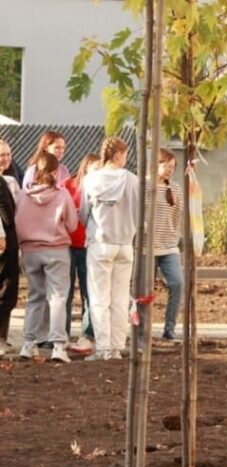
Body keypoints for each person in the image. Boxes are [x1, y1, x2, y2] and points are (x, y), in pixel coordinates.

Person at [14, 152, 78, 362]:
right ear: (55, 171)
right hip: (56, 249)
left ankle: (28, 343)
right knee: (58, 297)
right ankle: (58, 346)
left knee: (35, 297)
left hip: (30, 251)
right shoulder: (61, 195)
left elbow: (17, 221)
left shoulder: (24, 194)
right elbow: (72, 224)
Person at [81, 136, 139, 361]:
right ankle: (116, 347)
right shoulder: (131, 180)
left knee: (98, 297)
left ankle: (103, 347)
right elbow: (137, 210)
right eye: (125, 155)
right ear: (117, 155)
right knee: (121, 297)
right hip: (124, 243)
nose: (126, 159)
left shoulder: (91, 179)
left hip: (100, 242)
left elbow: (84, 213)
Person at [146, 148, 184, 341]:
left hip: (168, 247)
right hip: (146, 248)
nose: (169, 170)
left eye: (172, 167)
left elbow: (178, 217)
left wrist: (173, 238)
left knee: (177, 283)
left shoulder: (175, 189)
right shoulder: (143, 186)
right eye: (166, 165)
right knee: (145, 289)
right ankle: (142, 330)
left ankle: (169, 328)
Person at [63, 152, 100, 354]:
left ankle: (87, 335)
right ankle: (62, 333)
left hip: (88, 245)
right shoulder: (69, 185)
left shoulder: (100, 186)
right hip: (68, 243)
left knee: (89, 292)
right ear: (85, 167)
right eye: (93, 167)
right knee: (65, 291)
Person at [0, 154, 17, 354]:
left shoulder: (8, 179)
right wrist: (3, 234)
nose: (5, 159)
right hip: (6, 242)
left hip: (8, 240)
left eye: (7, 155)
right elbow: (3, 209)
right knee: (6, 288)